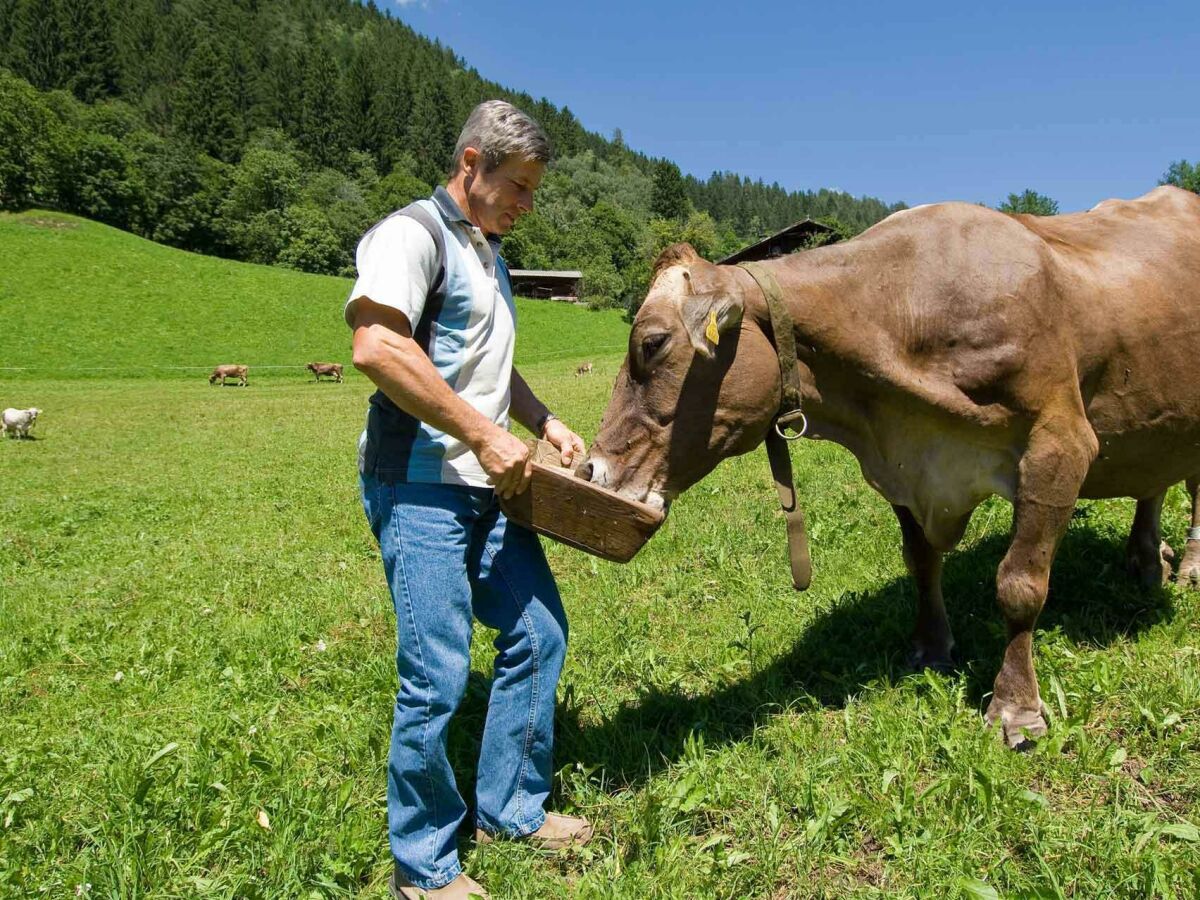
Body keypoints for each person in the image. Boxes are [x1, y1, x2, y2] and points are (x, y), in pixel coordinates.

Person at [346, 100, 592, 900]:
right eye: (517, 186)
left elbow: (487, 362)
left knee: (539, 632)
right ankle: (422, 867)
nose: (526, 204)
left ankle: (511, 809)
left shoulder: (489, 254)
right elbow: (377, 346)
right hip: (419, 484)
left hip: (490, 486)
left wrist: (543, 419)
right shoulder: (409, 236)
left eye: (532, 191)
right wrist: (482, 437)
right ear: (472, 163)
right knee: (437, 674)